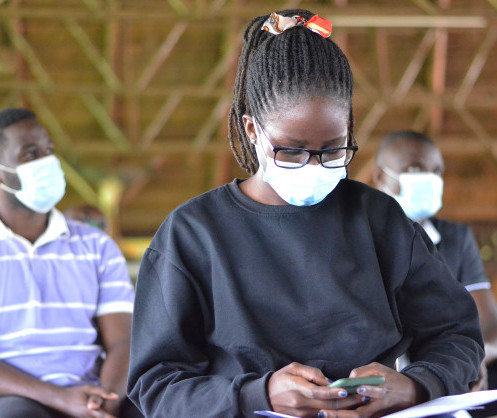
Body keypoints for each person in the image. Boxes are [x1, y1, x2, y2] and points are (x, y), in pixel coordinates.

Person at [127, 9, 484, 418]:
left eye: (333, 150)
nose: (314, 167)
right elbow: (156, 385)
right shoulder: (192, 235)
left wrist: (417, 385)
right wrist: (257, 395)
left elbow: (456, 333)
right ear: (252, 130)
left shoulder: (379, 220)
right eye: (292, 150)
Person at [0, 108, 140, 417]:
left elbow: (123, 341)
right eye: (30, 154)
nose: (47, 161)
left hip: (94, 391)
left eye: (48, 150)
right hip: (16, 396)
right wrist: (60, 398)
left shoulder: (96, 246)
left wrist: (105, 401)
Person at [372, 130, 497, 391]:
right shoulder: (358, 237)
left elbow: (486, 325)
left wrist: (463, 361)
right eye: (415, 168)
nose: (429, 179)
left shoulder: (455, 238)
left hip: (438, 376)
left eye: (437, 171)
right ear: (381, 176)